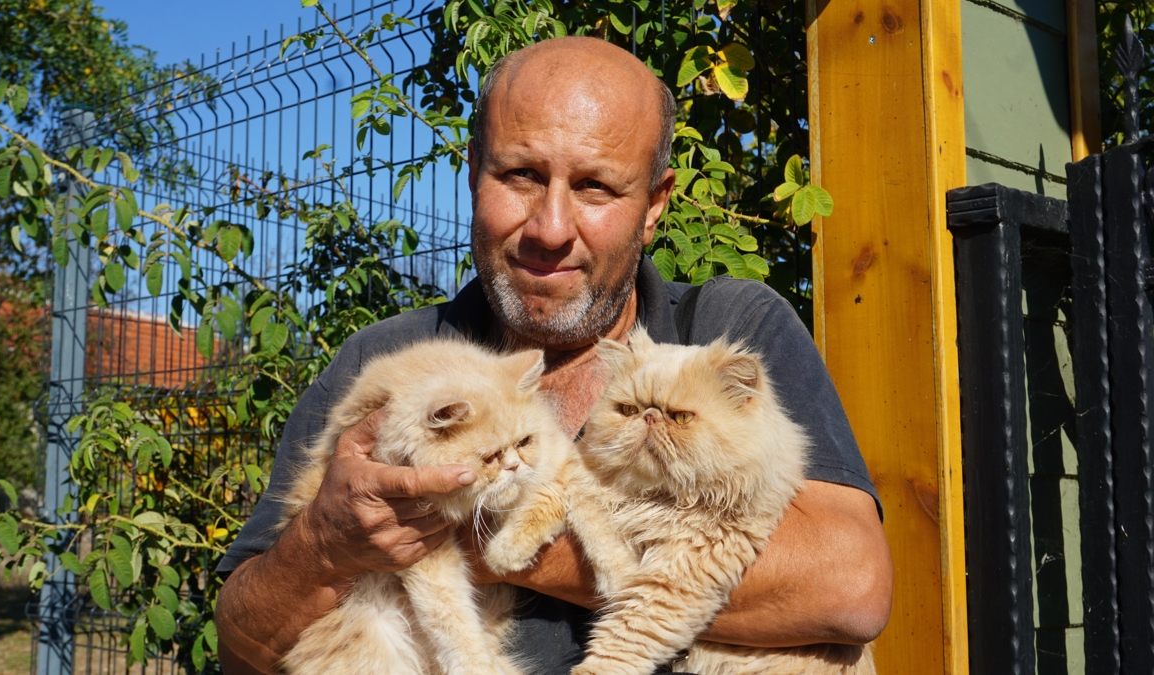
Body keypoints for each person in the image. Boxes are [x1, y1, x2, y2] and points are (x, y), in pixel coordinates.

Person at [214, 36, 892, 674]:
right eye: (520, 174)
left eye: (595, 186)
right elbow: (242, 646)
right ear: (473, 173)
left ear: (654, 205)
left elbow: (851, 587)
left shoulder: (725, 329)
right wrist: (321, 546)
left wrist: (500, 532)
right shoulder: (387, 359)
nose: (550, 228)